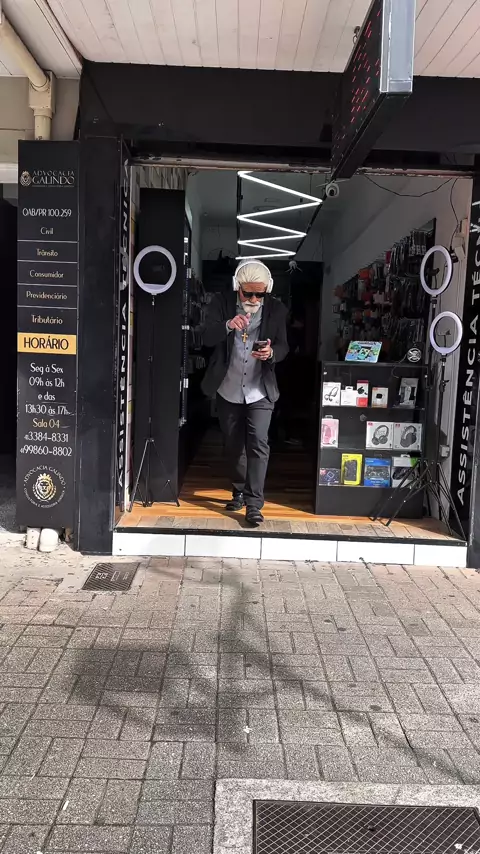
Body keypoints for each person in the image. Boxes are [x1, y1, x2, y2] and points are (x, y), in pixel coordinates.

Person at [201, 260, 288, 526]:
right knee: (233, 445)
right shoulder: (221, 303)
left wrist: (271, 353)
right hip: (228, 387)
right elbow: (205, 337)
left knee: (259, 443)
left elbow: (284, 346)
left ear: (267, 290)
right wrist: (228, 325)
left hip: (260, 389)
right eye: (247, 293)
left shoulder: (276, 309)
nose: (253, 299)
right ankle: (239, 489)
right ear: (237, 287)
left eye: (259, 294)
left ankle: (254, 504)